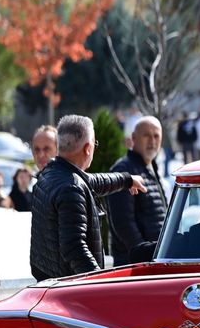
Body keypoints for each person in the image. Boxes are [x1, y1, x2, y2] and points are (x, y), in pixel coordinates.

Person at [30, 115, 147, 281]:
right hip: (66, 289)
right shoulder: (71, 187)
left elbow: (92, 181)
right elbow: (74, 248)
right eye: (95, 144)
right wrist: (99, 283)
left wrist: (127, 179)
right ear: (88, 148)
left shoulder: (52, 172)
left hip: (50, 282)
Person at [106, 116, 168, 267]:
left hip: (154, 259)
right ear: (133, 138)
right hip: (135, 265)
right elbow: (123, 223)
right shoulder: (123, 170)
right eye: (146, 135)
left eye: (156, 135)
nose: (152, 141)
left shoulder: (151, 167)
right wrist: (142, 254)